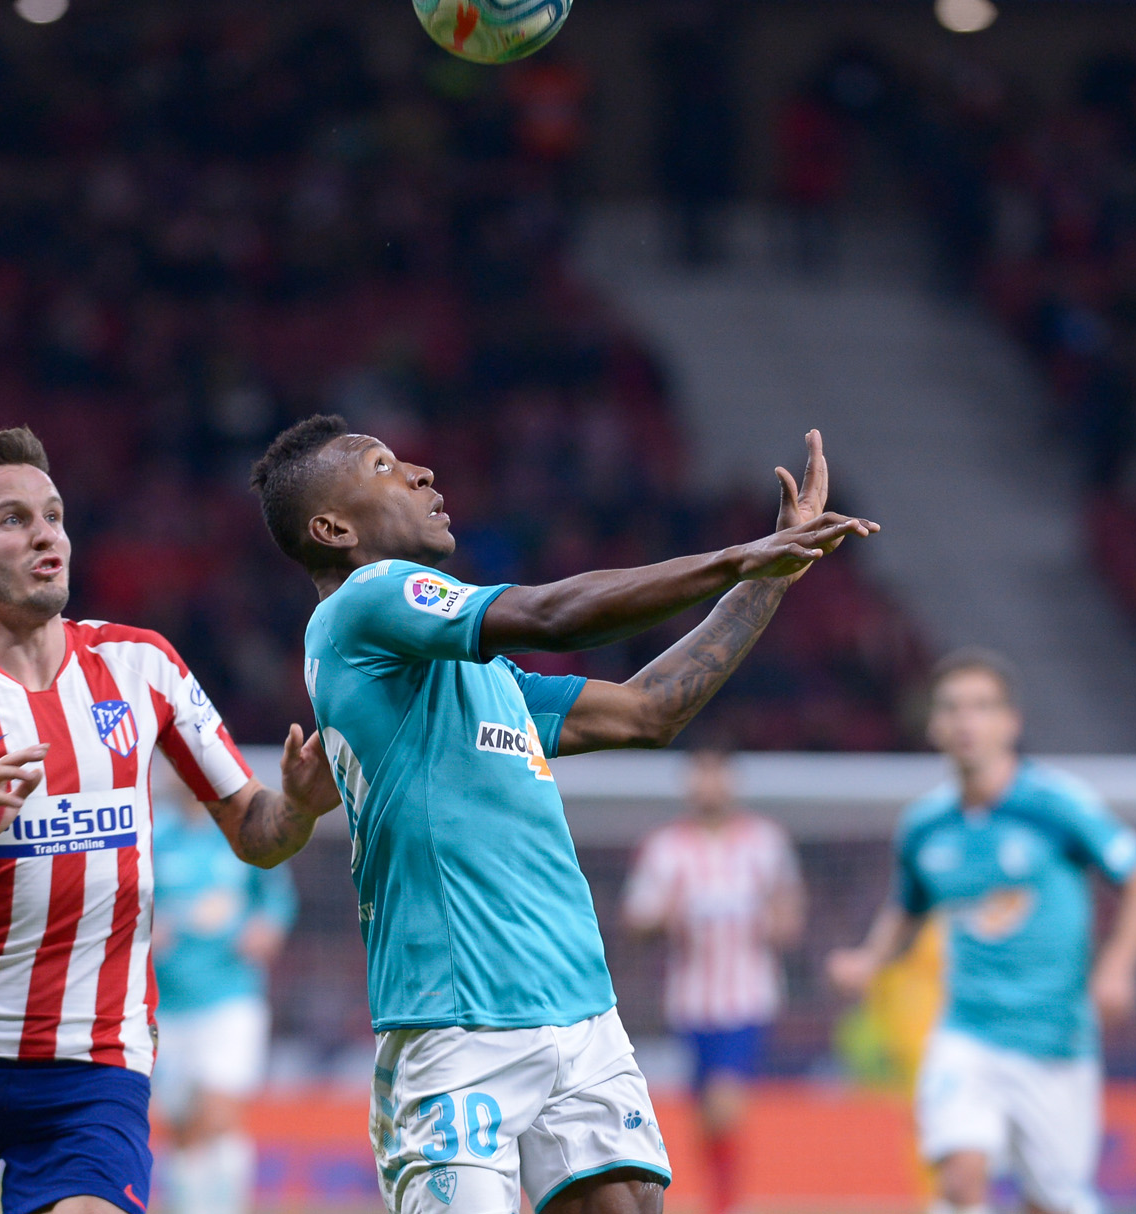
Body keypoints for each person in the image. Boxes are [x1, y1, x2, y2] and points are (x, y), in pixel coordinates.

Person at [247, 416, 876, 1214]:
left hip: (579, 1012)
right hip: (456, 1023)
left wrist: (773, 574)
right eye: (383, 467)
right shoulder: (362, 605)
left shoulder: (481, 677)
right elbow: (551, 615)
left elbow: (649, 712)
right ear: (332, 528)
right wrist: (733, 559)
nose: (421, 471)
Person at [0, 427, 337, 1214]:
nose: (46, 534)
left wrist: (298, 806)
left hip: (94, 1066)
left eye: (53, 515)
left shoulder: (143, 665)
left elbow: (258, 834)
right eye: (12, 519)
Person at [827, 649, 1136, 1214]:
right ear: (935, 727)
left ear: (1010, 722)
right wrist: (871, 959)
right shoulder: (925, 826)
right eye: (953, 708)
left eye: (983, 707)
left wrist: (1118, 965)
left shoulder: (1055, 805)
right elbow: (908, 904)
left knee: (1051, 1201)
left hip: (1055, 1040)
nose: (967, 722)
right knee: (961, 1180)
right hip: (967, 1032)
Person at [621, 750, 804, 1214]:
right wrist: (669, 917)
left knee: (725, 1104)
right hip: (690, 1000)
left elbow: (790, 914)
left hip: (748, 997)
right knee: (708, 1116)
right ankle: (719, 1194)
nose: (709, 786)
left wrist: (773, 921)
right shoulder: (666, 848)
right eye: (700, 776)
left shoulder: (764, 842)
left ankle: (724, 1205)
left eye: (716, 775)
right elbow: (637, 917)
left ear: (731, 782)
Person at [150, 769, 298, 1214]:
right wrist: (145, 930)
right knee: (183, 1128)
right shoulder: (155, 836)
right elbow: (127, 901)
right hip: (168, 1004)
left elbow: (276, 899)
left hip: (231, 998)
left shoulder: (243, 836)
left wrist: (267, 928)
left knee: (218, 1113)